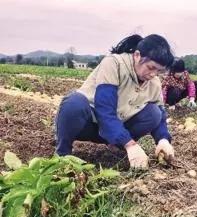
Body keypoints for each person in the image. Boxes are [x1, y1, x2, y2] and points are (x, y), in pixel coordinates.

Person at [55, 34, 175, 169]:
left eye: (159, 71)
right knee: (73, 103)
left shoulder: (154, 83)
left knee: (154, 113)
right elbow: (104, 110)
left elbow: (160, 116)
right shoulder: (114, 64)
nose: (153, 74)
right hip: (90, 124)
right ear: (137, 55)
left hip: (117, 127)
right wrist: (130, 144)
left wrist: (163, 139)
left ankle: (117, 145)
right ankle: (62, 154)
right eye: (151, 67)